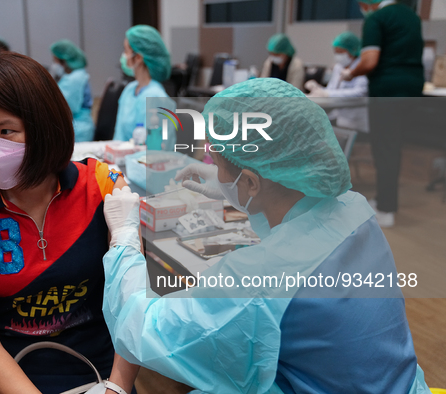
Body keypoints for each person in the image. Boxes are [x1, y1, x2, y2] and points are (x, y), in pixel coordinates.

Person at [100, 78, 431, 393]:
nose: (214, 169)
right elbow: (298, 223)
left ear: (252, 182)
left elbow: (141, 328)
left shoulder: (258, 281)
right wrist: (233, 191)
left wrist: (125, 238)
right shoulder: (355, 209)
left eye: (216, 163)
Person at [0, 52, 139, 393]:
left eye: (5, 131)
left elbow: (133, 303)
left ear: (44, 126)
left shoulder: (104, 186)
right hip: (5, 368)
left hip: (98, 365)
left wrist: (117, 387)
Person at [342, 0, 424, 227]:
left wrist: (350, 73)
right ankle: (383, 199)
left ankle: (386, 209)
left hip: (387, 91)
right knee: (393, 147)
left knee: (384, 148)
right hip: (411, 90)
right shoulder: (411, 16)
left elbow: (369, 61)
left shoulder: (376, 19)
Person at [114, 25, 176, 150]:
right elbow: (118, 137)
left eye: (126, 51)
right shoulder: (129, 90)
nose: (123, 56)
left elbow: (158, 149)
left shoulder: (157, 97)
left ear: (138, 58)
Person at [306, 31, 369, 132]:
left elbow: (361, 92)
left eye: (341, 52)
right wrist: (317, 89)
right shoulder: (338, 67)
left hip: (357, 122)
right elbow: (332, 89)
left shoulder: (361, 67)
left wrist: (327, 93)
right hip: (340, 119)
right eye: (336, 52)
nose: (338, 55)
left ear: (353, 50)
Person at [50, 40, 95, 142]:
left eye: (55, 61)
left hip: (79, 131)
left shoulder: (75, 79)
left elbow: (63, 107)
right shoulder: (75, 76)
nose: (53, 65)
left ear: (64, 61)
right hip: (77, 127)